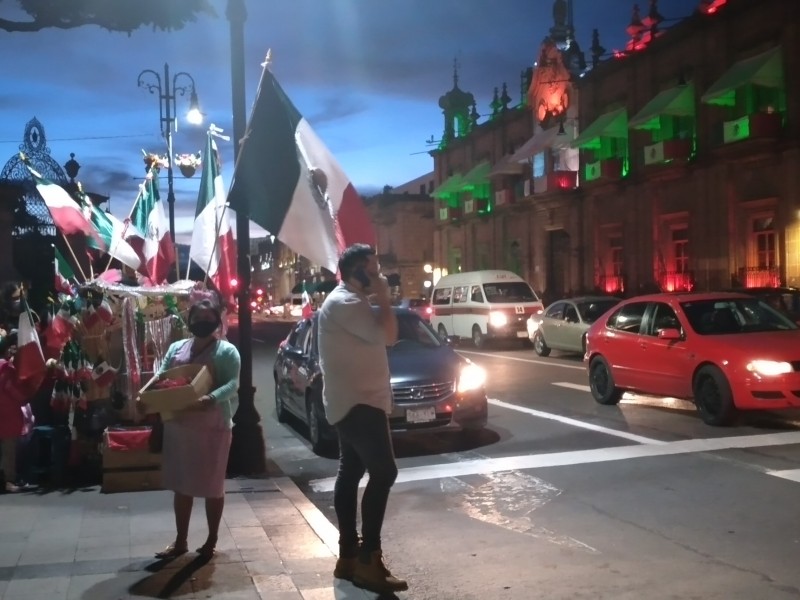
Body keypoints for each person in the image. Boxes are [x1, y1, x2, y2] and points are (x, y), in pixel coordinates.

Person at [317, 243, 407, 594]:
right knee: (384, 472)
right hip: (359, 404)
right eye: (373, 268)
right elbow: (388, 336)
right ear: (356, 271)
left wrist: (379, 296)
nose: (379, 274)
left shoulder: (349, 302)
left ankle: (348, 556)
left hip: (354, 401)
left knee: (351, 470)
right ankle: (369, 558)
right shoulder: (345, 303)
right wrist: (384, 297)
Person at [146, 299, 241, 560]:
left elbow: (233, 384)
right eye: (197, 318)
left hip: (213, 426)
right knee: (182, 485)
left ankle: (211, 540)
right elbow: (163, 376)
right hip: (180, 425)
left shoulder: (227, 351)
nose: (202, 323)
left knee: (212, 485)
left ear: (217, 322)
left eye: (208, 318)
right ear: (189, 321)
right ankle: (180, 541)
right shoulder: (177, 348)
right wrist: (151, 394)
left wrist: (210, 398)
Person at [0, 331, 37, 493]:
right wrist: (26, 396)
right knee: (9, 449)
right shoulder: (6, 367)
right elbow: (10, 388)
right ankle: (9, 480)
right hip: (8, 412)